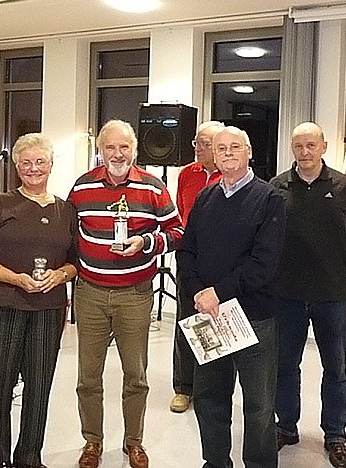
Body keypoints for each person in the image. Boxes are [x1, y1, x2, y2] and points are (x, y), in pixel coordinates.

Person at [68, 119, 183, 468]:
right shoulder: (82, 187)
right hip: (90, 294)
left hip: (134, 294)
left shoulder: (153, 187)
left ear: (134, 150)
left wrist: (146, 242)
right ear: (100, 151)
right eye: (110, 147)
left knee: (136, 376)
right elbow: (68, 234)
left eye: (124, 147)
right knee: (88, 377)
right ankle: (92, 442)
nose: (117, 154)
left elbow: (178, 232)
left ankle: (134, 441)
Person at [0, 133, 78, 468]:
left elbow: (74, 261)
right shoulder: (0, 205)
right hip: (2, 306)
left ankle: (30, 457)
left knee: (39, 386)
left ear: (51, 165)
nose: (33, 168)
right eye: (26, 162)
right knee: (0, 384)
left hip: (48, 309)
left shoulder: (65, 210)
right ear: (16, 166)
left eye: (40, 161)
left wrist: (60, 275)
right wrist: (15, 278)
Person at [177, 125, 286, 468]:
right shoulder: (205, 198)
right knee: (209, 397)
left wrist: (217, 292)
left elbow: (264, 263)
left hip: (252, 317)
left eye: (235, 147)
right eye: (221, 148)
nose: (227, 153)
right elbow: (187, 250)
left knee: (259, 405)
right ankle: (215, 461)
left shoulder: (269, 198)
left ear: (249, 152)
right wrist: (197, 292)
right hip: (208, 316)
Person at [270, 122, 346, 468]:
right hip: (287, 295)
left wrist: (333, 263)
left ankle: (335, 435)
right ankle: (285, 426)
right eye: (299, 146)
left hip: (332, 294)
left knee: (335, 368)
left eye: (311, 145)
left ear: (323, 146)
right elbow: (269, 235)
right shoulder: (277, 187)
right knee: (285, 366)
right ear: (292, 148)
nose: (305, 152)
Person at [170, 120, 224, 414]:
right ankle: (184, 387)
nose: (197, 149)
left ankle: (210, 389)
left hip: (219, 262)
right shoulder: (186, 174)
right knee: (185, 321)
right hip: (189, 259)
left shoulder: (228, 176)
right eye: (196, 143)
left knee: (216, 323)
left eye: (204, 144)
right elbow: (181, 214)